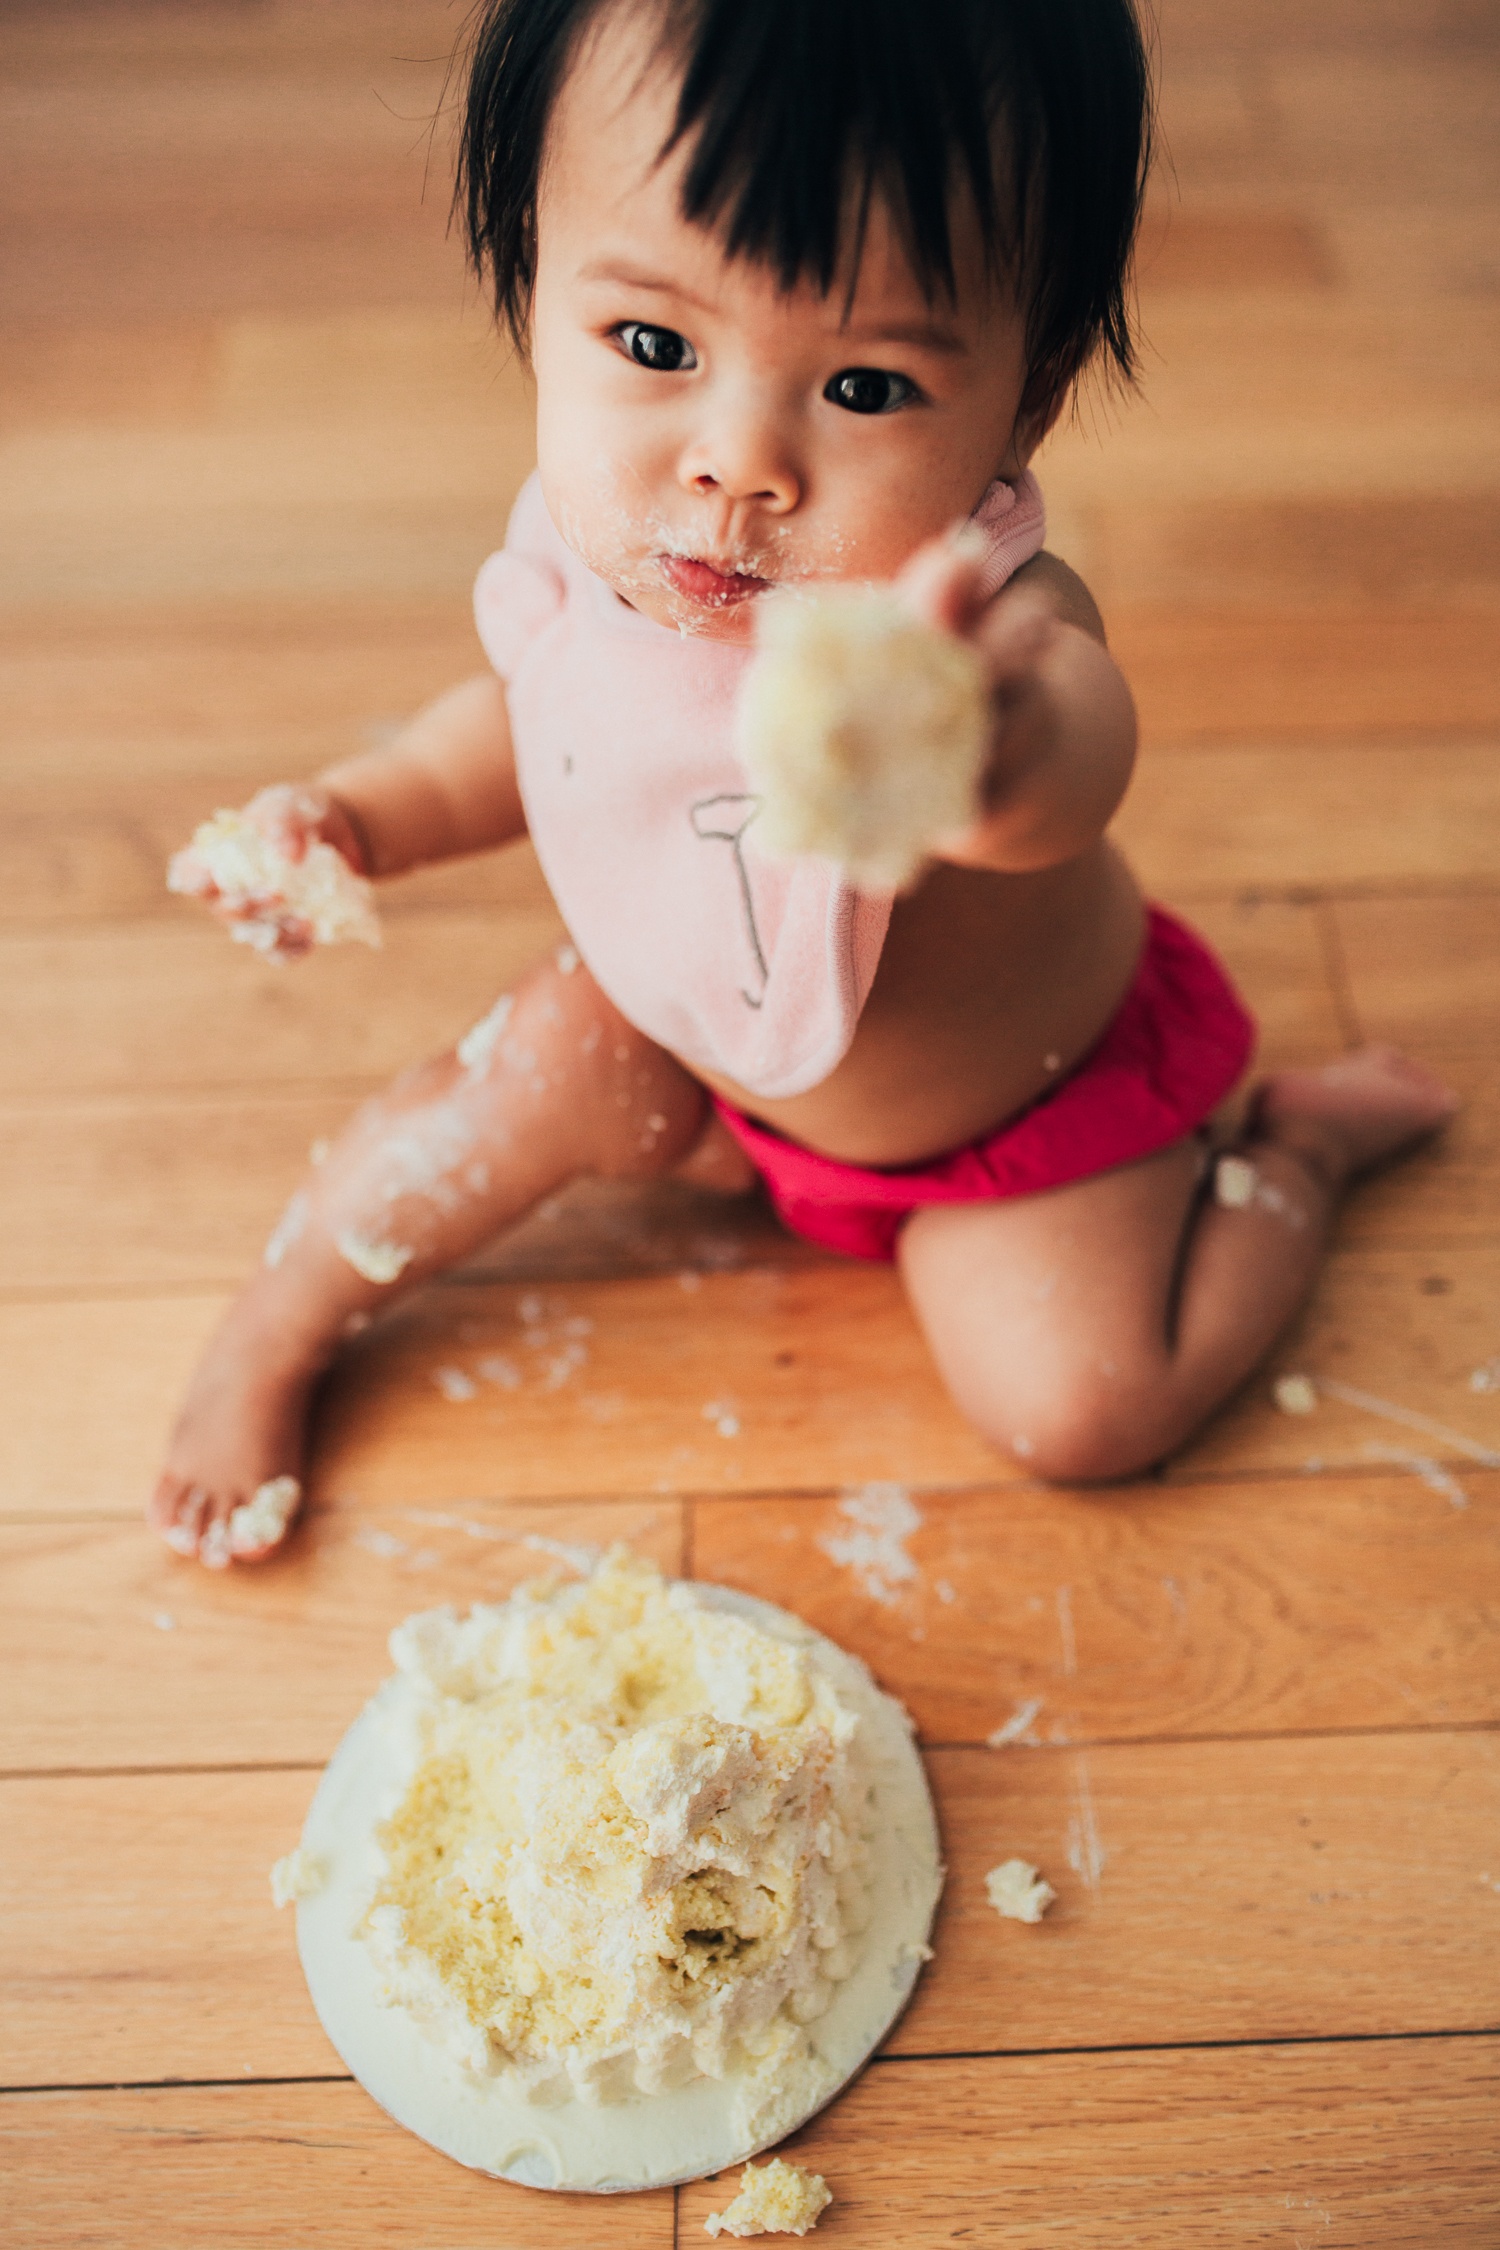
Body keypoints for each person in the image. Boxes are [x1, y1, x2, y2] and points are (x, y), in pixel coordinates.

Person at [152, 0, 1453, 1568]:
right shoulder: (607, 556)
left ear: (1023, 399)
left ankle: (1289, 1151)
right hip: (710, 1078)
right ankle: (282, 1318)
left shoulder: (983, 626)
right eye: (653, 346)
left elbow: (1075, 755)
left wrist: (976, 748)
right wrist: (360, 816)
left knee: (1091, 1408)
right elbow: (534, 732)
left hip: (1017, 1127)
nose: (736, 461)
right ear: (528, 275)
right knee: (535, 1059)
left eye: (863, 388)